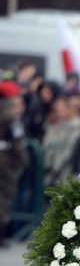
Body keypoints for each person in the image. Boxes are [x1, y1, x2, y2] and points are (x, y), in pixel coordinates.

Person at [0, 80, 28, 247]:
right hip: (5, 159)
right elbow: (16, 139)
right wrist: (24, 160)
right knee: (5, 194)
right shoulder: (10, 115)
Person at [42, 96, 80, 188]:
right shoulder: (51, 123)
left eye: (62, 109)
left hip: (66, 163)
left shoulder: (74, 123)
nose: (59, 113)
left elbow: (70, 145)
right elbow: (46, 143)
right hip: (49, 162)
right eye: (56, 110)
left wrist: (57, 165)